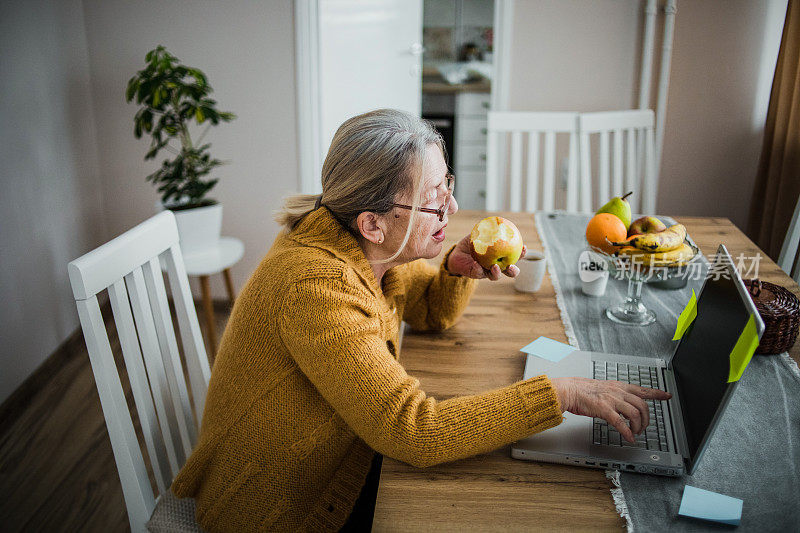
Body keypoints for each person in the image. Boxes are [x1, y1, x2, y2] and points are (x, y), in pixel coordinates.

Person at [172, 109, 671, 532]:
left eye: (447, 184)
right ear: (373, 222)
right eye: (435, 198)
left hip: (333, 461)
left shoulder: (361, 247)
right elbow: (415, 432)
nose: (451, 207)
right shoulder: (317, 288)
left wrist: (455, 268)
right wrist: (558, 394)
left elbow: (429, 314)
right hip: (279, 510)